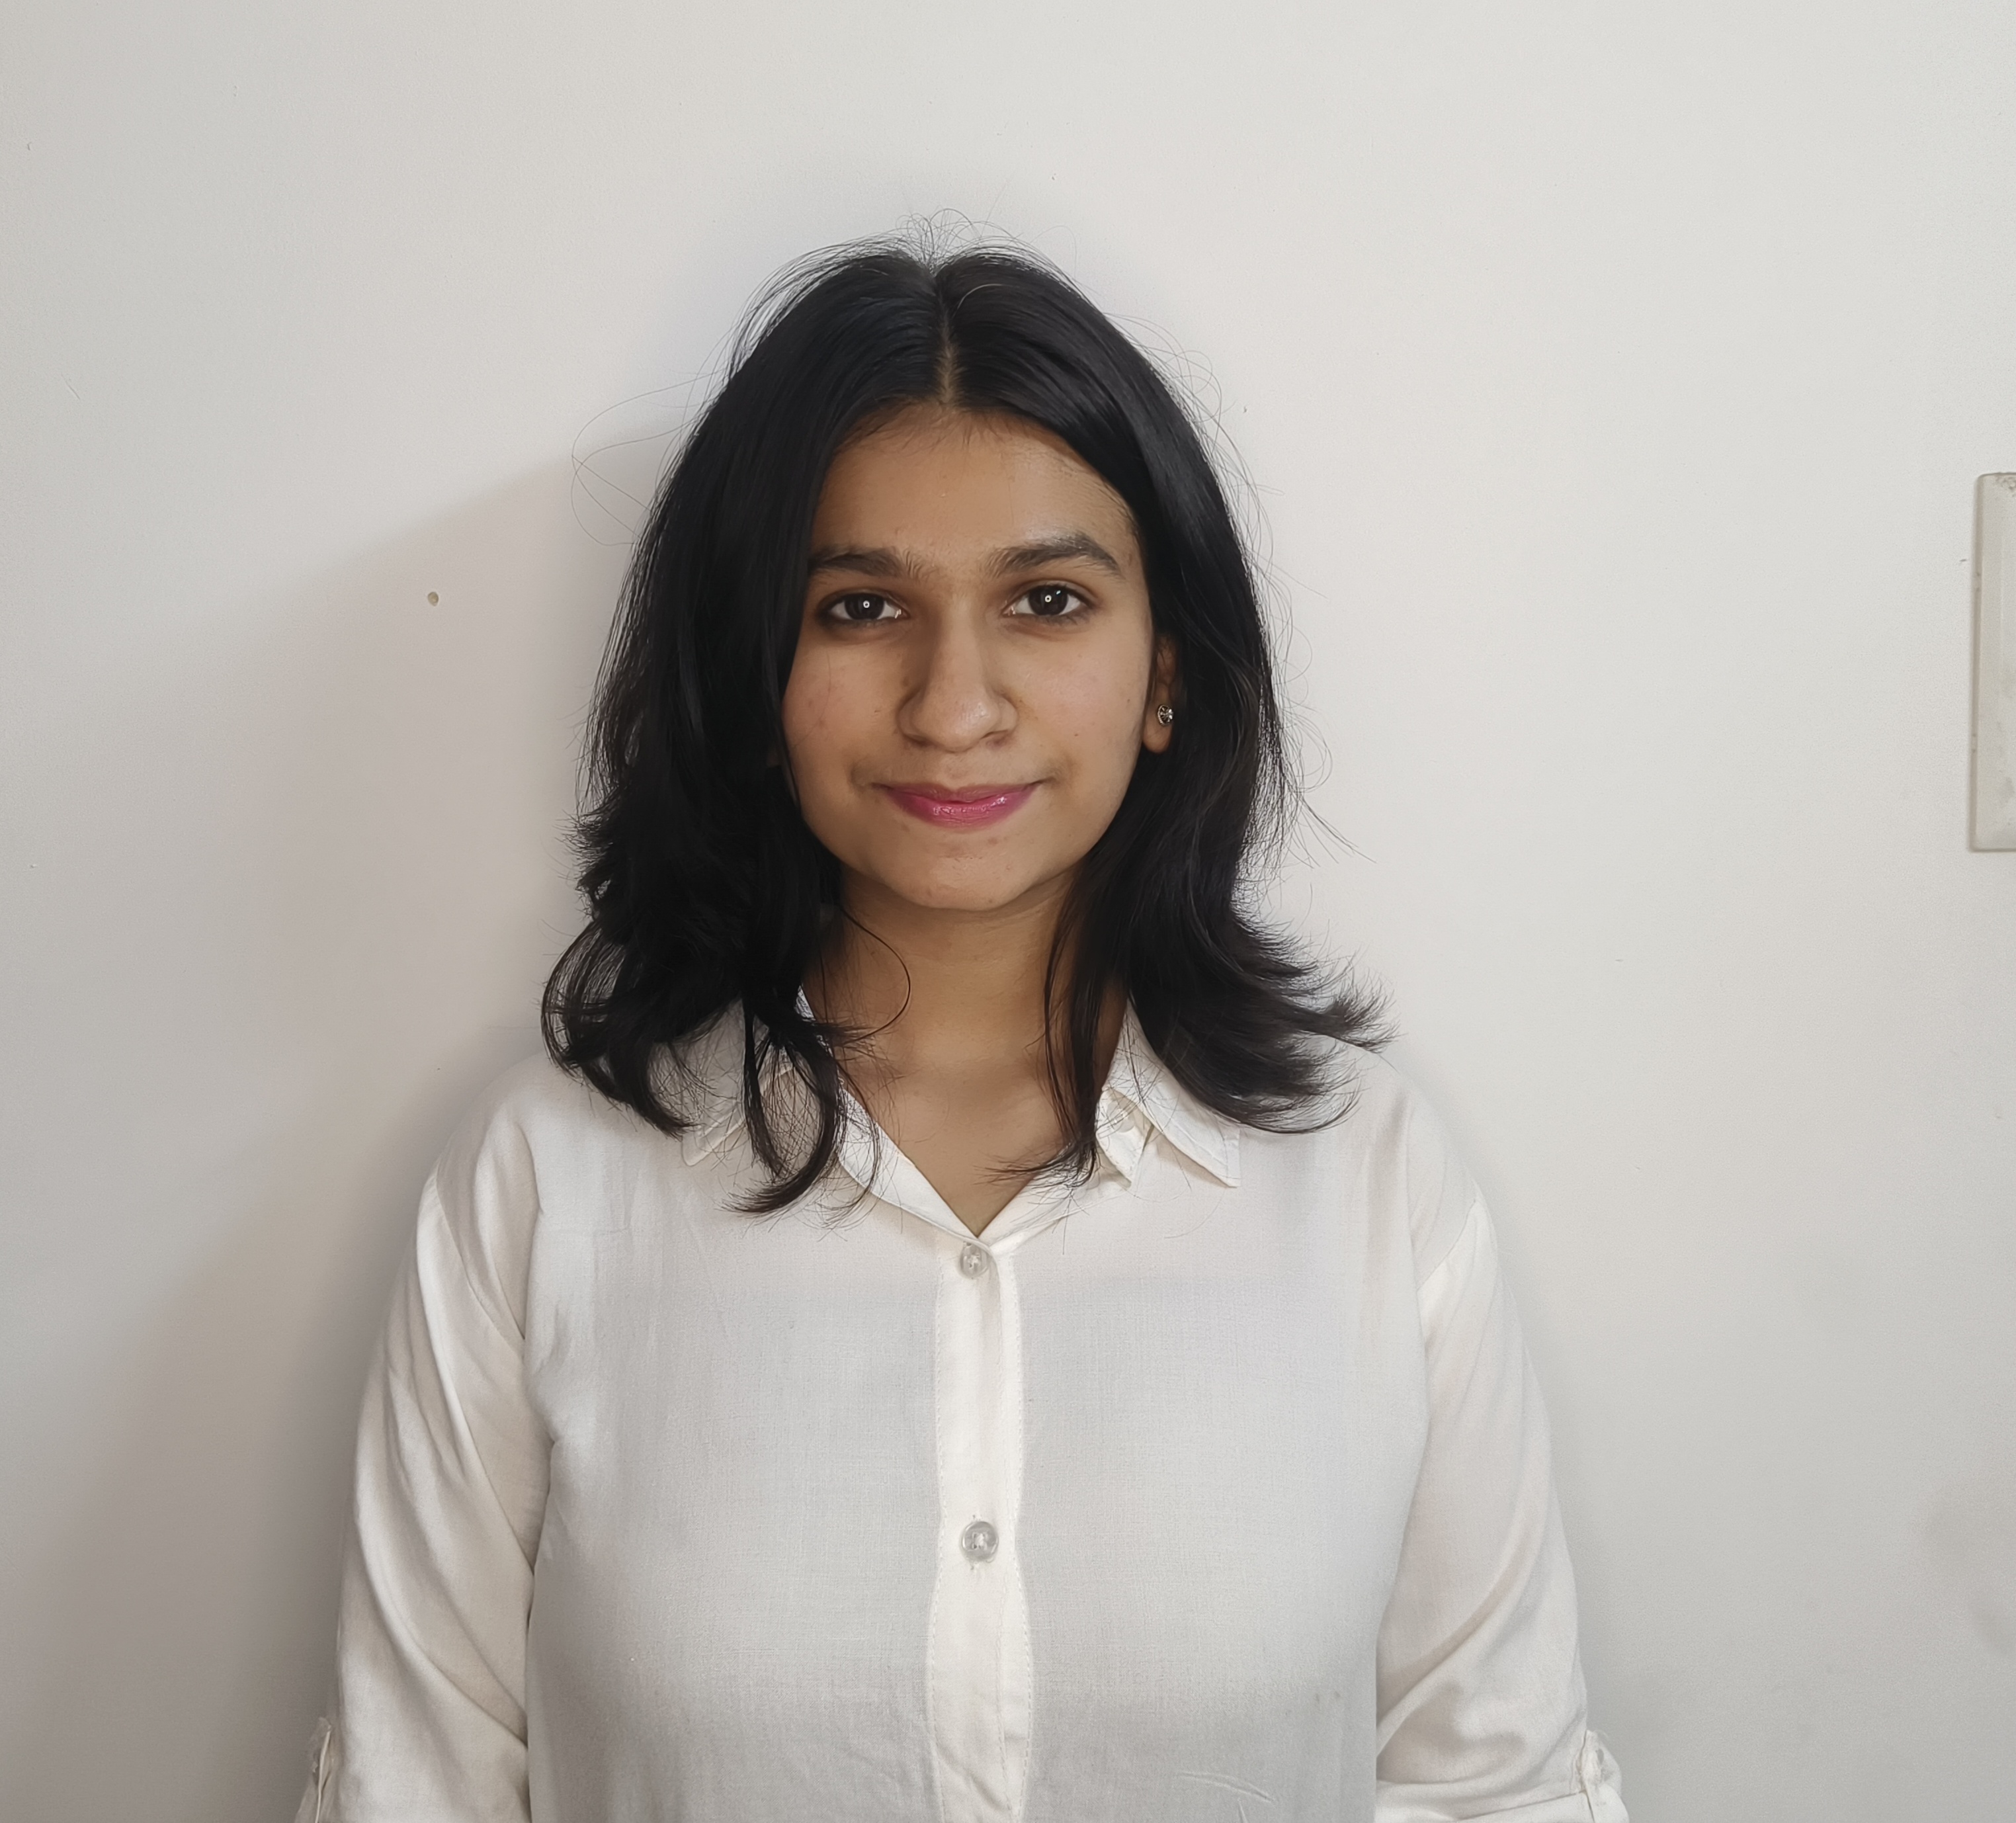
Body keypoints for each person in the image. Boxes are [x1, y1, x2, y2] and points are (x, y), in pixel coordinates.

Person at [296, 237, 1628, 1823]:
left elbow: (1498, 1787)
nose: (953, 704)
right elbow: (416, 1788)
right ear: (756, 670)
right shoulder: (545, 1181)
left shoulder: (1371, 1181)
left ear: (1166, 674)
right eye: (861, 606)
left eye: (1047, 601)